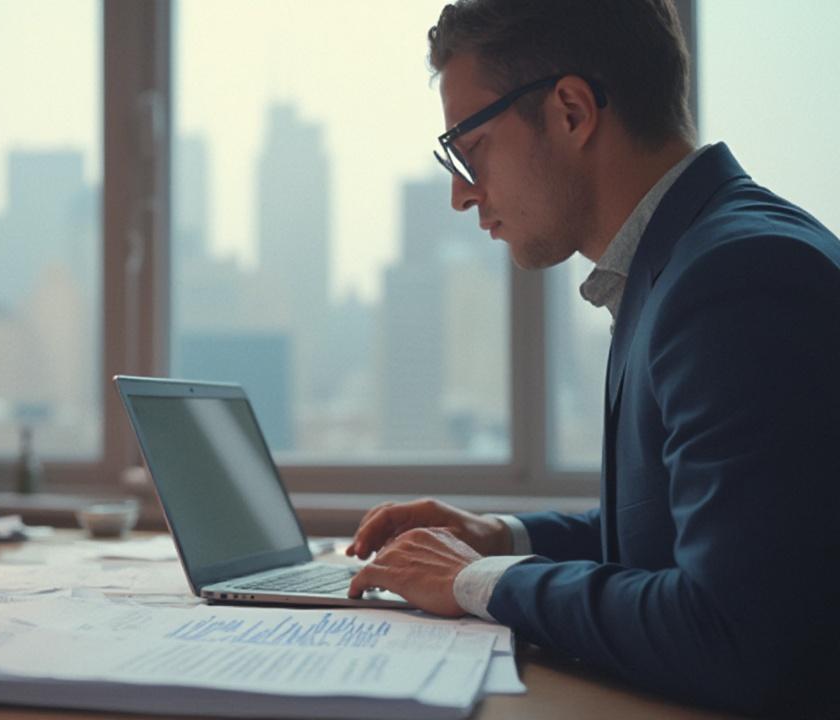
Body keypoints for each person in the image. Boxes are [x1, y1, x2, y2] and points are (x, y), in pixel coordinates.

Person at [345, 1, 840, 715]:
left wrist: (476, 580)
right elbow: (669, 534)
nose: (461, 194)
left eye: (470, 148)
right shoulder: (686, 263)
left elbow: (731, 627)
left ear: (571, 112)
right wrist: (498, 536)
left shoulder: (736, 279)